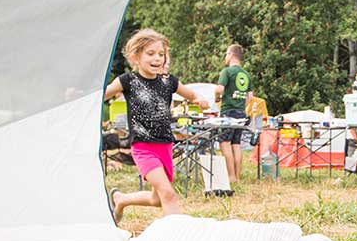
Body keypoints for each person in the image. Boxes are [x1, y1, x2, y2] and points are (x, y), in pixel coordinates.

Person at [103, 29, 208, 222]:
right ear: (136, 57)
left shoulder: (169, 82)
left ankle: (121, 199)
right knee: (168, 194)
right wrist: (80, 96)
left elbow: (191, 95)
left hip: (165, 146)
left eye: (161, 54)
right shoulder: (128, 81)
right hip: (143, 147)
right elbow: (103, 94)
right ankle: (176, 239)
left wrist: (199, 99)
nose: (157, 58)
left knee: (157, 199)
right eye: (150, 54)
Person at [214, 44, 252, 185]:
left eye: (226, 54)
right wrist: (242, 106)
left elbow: (219, 89)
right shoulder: (246, 74)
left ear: (230, 54)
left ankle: (230, 176)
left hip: (228, 112)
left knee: (224, 143)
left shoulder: (227, 71)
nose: (225, 57)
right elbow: (250, 96)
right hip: (241, 113)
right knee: (236, 144)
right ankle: (237, 176)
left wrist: (216, 97)